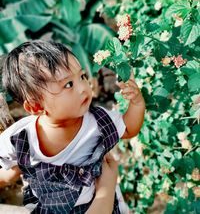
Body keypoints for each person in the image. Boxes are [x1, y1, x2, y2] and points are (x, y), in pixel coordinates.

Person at [0, 40, 145, 213]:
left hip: (100, 204)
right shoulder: (18, 139)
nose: (84, 87)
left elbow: (129, 129)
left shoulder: (97, 122)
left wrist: (136, 103)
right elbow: (10, 171)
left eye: (82, 76)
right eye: (68, 84)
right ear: (36, 107)